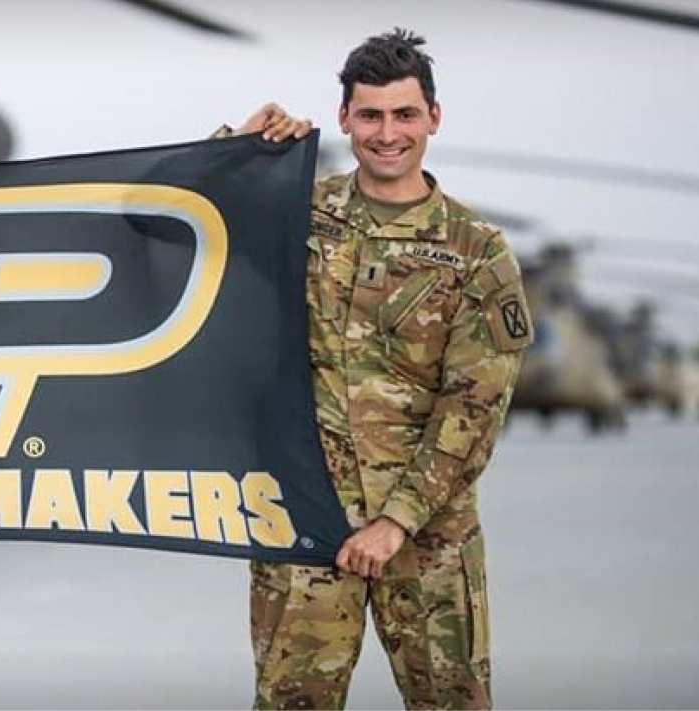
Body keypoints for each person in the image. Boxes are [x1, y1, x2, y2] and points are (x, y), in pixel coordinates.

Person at [222, 29, 531, 709]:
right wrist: (237, 152)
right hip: (305, 523)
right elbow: (159, 223)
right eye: (370, 115)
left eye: (404, 114)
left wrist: (395, 521)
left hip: (428, 543)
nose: (387, 133)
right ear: (344, 119)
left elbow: (473, 407)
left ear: (433, 119)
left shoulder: (476, 251)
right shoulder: (294, 211)